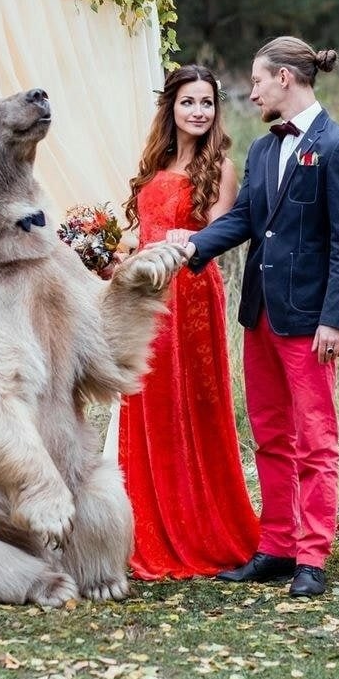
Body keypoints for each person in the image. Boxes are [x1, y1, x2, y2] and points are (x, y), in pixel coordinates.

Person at [167, 37, 339, 597]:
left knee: (316, 440)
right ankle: (277, 548)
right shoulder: (261, 150)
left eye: (256, 81)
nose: (250, 91)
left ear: (284, 77)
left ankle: (312, 558)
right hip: (259, 314)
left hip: (311, 322)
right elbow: (250, 221)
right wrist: (193, 247)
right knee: (271, 436)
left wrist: (336, 318)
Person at [118, 64, 260, 580]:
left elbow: (221, 230)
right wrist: (106, 247)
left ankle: (199, 526)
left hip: (191, 291)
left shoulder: (219, 165)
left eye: (206, 103)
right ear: (171, 108)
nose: (198, 112)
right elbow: (141, 231)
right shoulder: (154, 162)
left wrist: (178, 243)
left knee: (190, 404)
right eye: (189, 102)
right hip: (145, 290)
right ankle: (143, 522)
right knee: (146, 397)